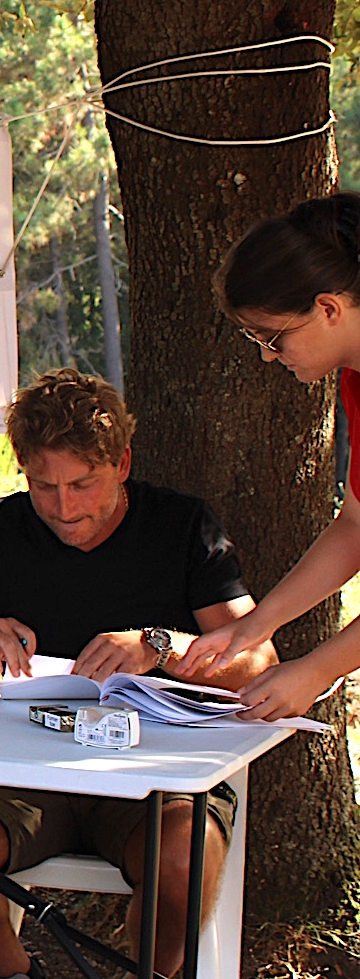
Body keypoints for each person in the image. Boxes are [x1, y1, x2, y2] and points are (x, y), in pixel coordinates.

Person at [0, 368, 277, 979]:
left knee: (182, 859)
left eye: (84, 483)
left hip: (152, 771)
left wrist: (159, 644)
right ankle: (17, 977)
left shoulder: (182, 526)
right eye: (43, 485)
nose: (64, 508)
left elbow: (259, 662)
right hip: (20, 771)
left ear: (123, 464)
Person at [185, 191, 360, 720]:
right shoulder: (353, 381)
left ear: (328, 308)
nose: (266, 355)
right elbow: (355, 525)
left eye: (275, 337)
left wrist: (316, 669)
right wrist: (255, 626)